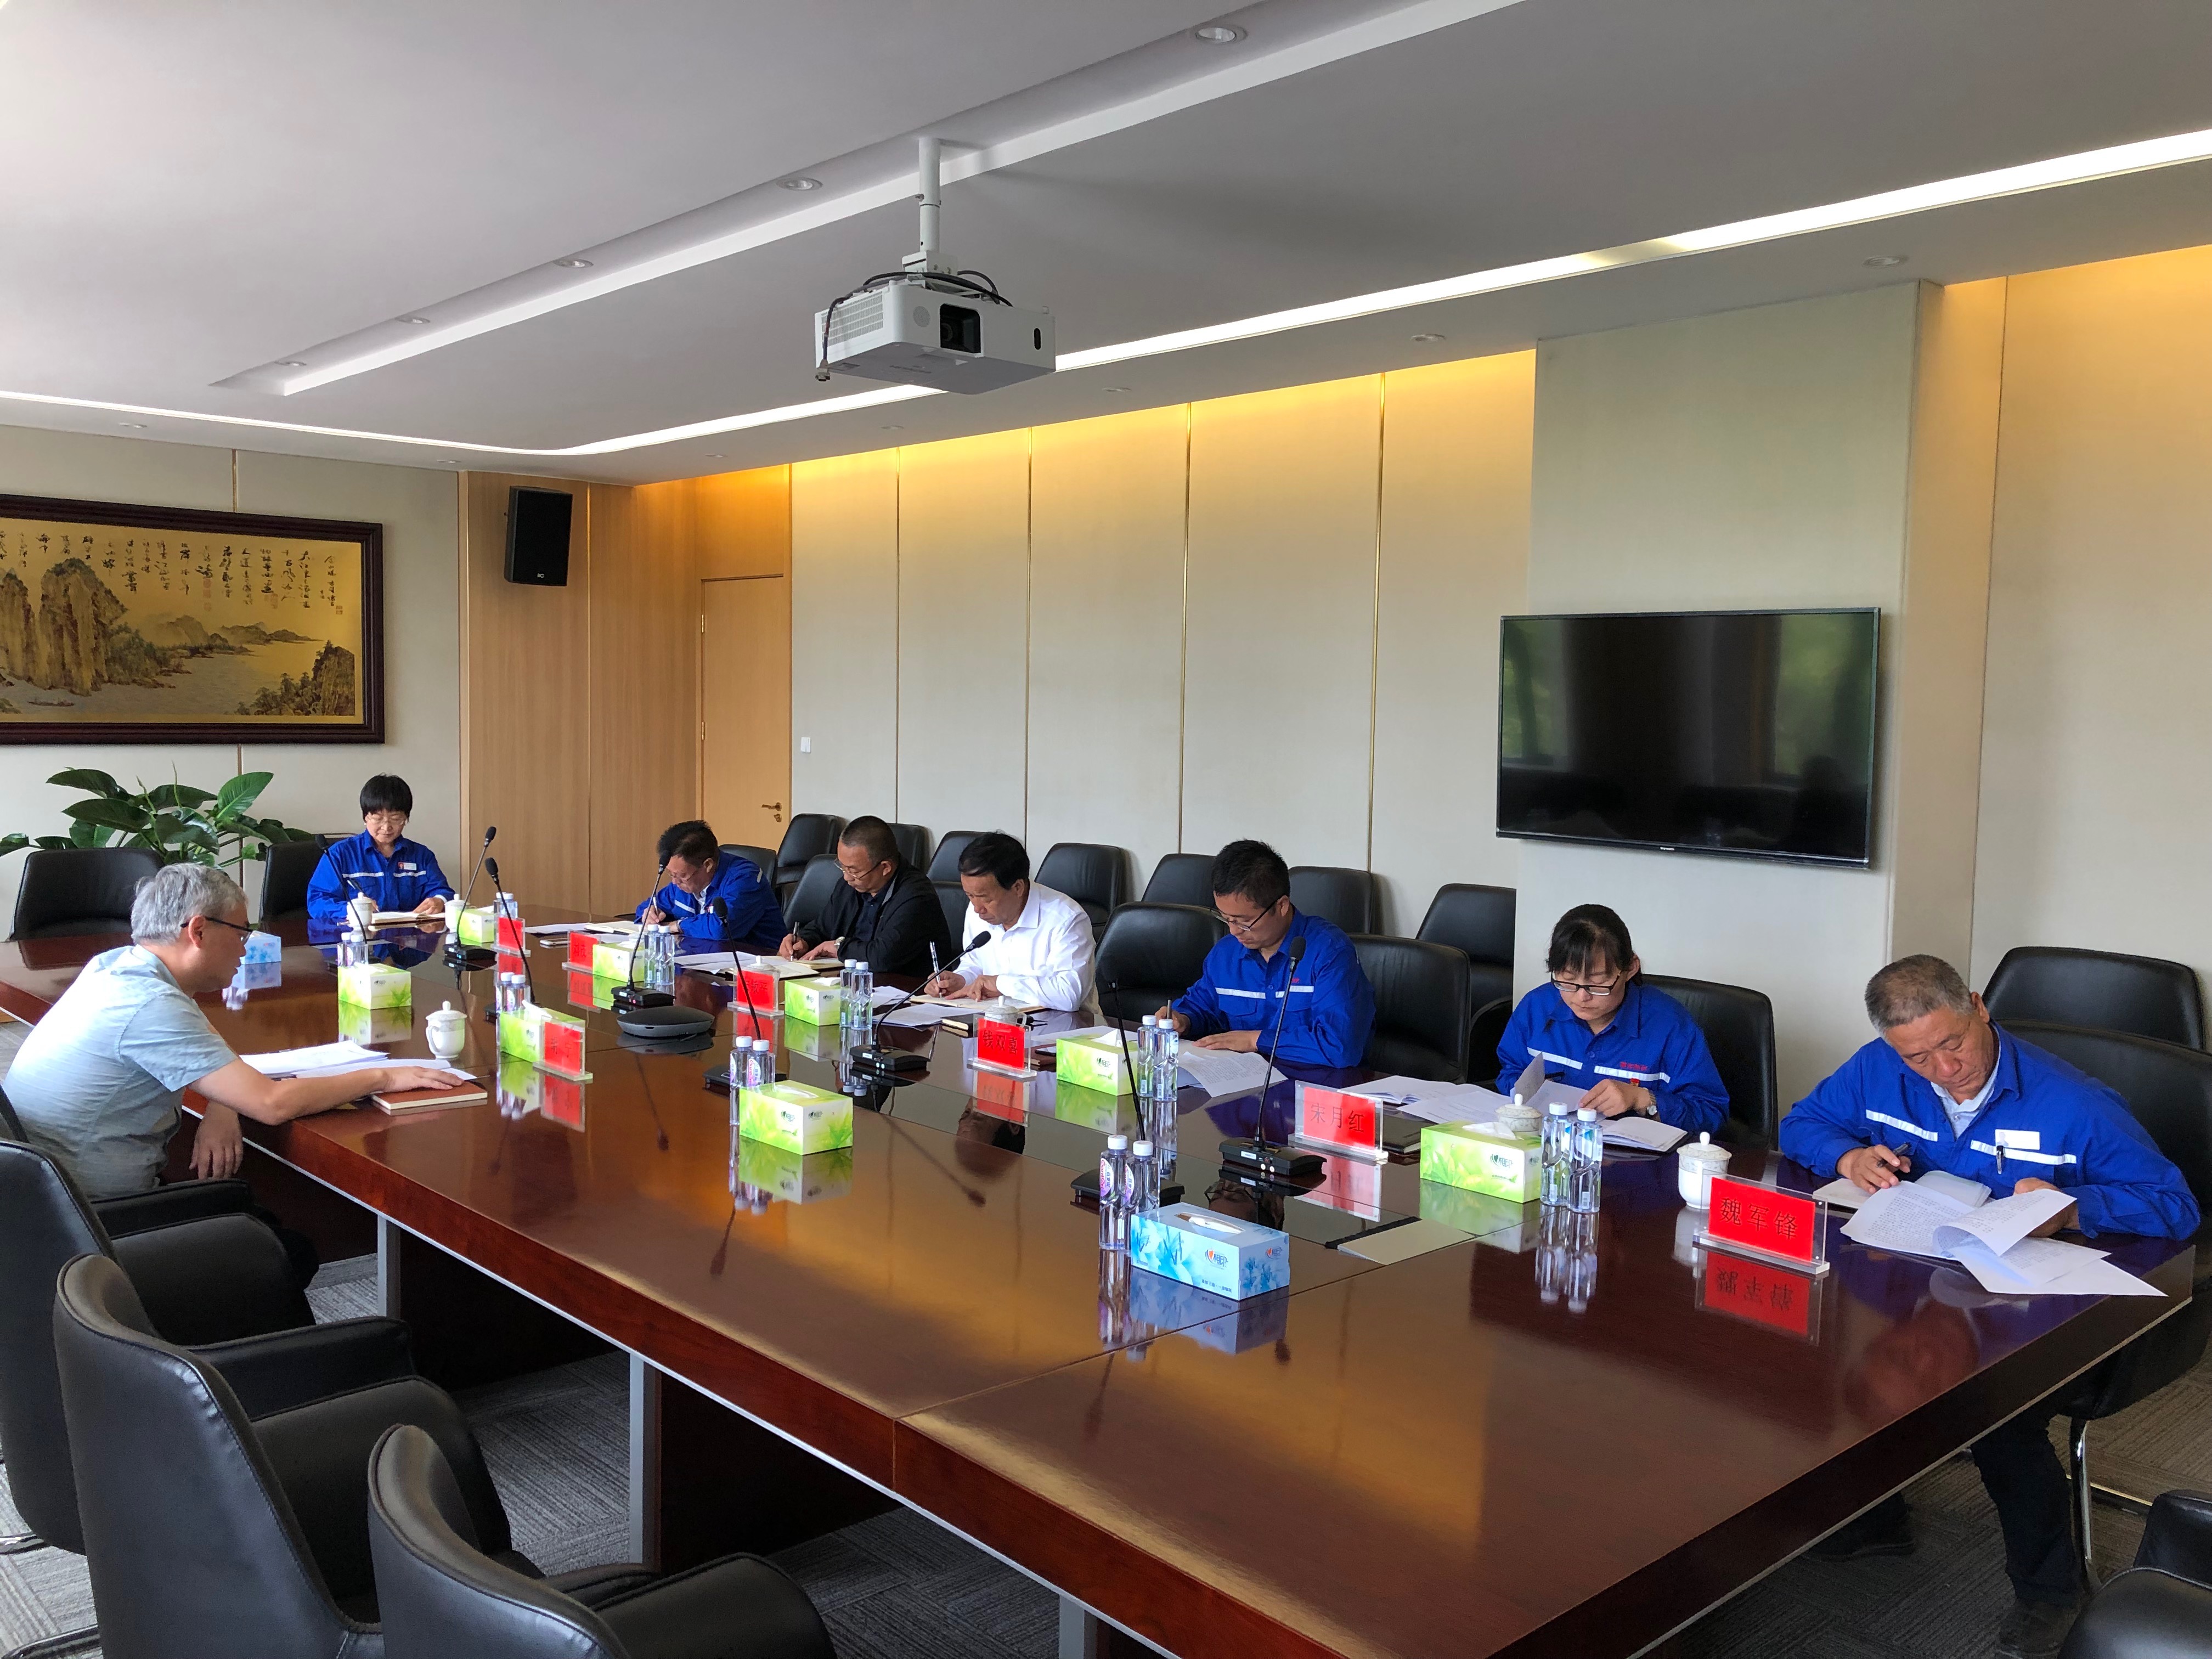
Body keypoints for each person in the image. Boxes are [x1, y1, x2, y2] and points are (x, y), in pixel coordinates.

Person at [1781, 954, 2199, 1659]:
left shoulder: (2073, 1102)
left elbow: (2175, 1207)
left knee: (1995, 1411)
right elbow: (1803, 1123)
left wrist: (2073, 1209)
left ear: (1978, 1006)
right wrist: (1847, 1158)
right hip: (1925, 1286)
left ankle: (2052, 1593)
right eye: (1918, 1058)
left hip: (2037, 1310)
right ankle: (1878, 1517)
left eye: (1953, 1044)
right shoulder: (1877, 1069)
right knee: (1841, 1352)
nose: (1945, 1070)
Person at [7, 864, 467, 1282]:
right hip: (91, 1220)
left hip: (44, 1204)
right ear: (198, 931)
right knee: (285, 1249)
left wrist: (222, 1103)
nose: (246, 949)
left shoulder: (118, 967)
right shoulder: (150, 1003)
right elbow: (272, 1104)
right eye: (242, 933)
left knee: (251, 1209)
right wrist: (384, 1077)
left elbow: (212, 1045)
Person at [1494, 904, 1728, 1134]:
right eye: (1568, 980)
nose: (1582, 997)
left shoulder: (1671, 1026)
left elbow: (1711, 1112)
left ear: (1630, 968)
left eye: (1598, 983)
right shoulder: (1537, 1007)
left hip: (1632, 1156)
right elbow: (1510, 1072)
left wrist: (1641, 1100)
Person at [1156, 839, 1373, 1069]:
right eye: (1226, 918)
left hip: (1312, 1084)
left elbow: (1341, 1046)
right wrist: (1183, 1019)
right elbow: (1204, 1008)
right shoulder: (1226, 953)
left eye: (1244, 922)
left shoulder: (1329, 953)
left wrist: (1255, 1040)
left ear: (1282, 906)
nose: (1234, 931)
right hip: (1239, 1080)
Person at [919, 831, 1096, 1014]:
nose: (977, 908)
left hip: (1062, 1026)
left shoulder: (1066, 918)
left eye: (986, 899)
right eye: (970, 896)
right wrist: (960, 980)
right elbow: (975, 963)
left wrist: (1001, 984)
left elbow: (1069, 994)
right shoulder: (977, 910)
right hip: (994, 1021)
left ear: (1018, 888)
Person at [775, 815, 950, 978]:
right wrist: (804, 940)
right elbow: (823, 927)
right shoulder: (850, 884)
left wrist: (839, 948)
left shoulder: (917, 896)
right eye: (842, 867)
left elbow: (883, 957)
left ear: (885, 867)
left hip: (902, 989)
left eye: (854, 871)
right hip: (850, 982)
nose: (846, 877)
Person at [306, 775, 454, 927]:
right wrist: (351, 909)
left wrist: (440, 900)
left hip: (410, 935)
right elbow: (317, 901)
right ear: (365, 817)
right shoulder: (340, 854)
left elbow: (443, 891)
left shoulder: (422, 856)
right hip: (359, 936)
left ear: (406, 819)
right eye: (378, 819)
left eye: (395, 819)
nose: (386, 827)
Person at [635, 820, 784, 952]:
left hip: (759, 964)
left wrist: (677, 926)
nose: (675, 882)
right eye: (671, 874)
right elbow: (646, 907)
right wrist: (649, 914)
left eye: (682, 876)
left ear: (708, 865)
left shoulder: (744, 878)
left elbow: (721, 928)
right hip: (702, 961)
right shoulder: (682, 883)